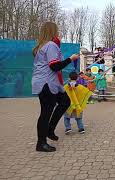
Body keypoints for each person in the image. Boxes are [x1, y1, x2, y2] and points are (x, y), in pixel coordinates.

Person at [31, 22, 79, 152]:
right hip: (46, 84)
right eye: (57, 31)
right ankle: (41, 143)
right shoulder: (51, 45)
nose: (59, 34)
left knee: (65, 101)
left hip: (51, 83)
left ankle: (50, 130)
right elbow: (54, 66)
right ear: (53, 32)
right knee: (45, 113)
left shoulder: (43, 46)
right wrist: (71, 58)